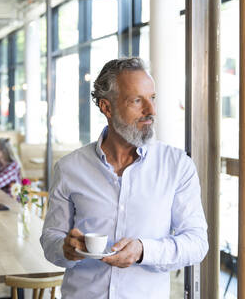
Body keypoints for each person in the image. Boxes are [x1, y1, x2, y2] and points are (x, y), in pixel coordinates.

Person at [40, 57, 208, 298]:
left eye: (152, 98)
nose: (151, 111)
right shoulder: (69, 168)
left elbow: (197, 243)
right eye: (137, 100)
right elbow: (50, 239)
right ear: (106, 107)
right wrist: (65, 248)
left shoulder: (177, 166)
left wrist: (143, 251)